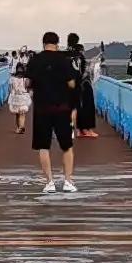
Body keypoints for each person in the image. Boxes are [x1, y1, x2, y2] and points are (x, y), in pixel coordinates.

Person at [24, 30, 81, 195]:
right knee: (66, 146)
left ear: (43, 43)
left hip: (42, 108)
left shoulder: (35, 60)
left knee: (43, 146)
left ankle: (49, 182)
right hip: (62, 108)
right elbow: (72, 83)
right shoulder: (63, 60)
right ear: (57, 43)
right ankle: (68, 181)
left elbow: (28, 82)